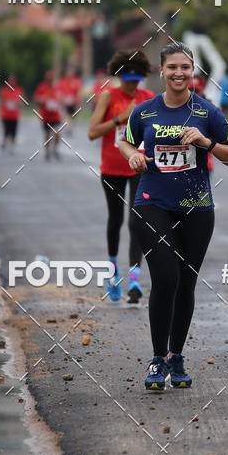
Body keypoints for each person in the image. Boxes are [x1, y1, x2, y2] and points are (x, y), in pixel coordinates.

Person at [118, 42, 228, 390]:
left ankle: (177, 356)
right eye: (172, 67)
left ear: (193, 72)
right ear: (161, 71)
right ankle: (157, 359)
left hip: (197, 207)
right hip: (151, 202)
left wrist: (206, 143)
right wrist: (131, 154)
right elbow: (125, 141)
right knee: (165, 278)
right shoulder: (143, 112)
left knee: (186, 283)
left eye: (185, 67)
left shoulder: (208, 113)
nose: (179, 73)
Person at [88, 50, 153, 303]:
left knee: (137, 221)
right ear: (119, 77)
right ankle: (113, 271)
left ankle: (135, 277)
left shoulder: (148, 98)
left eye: (136, 81)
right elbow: (92, 132)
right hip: (112, 168)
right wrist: (120, 119)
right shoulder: (108, 96)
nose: (132, 86)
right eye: (127, 81)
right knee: (115, 219)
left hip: (139, 166)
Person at [34, 70, 62, 160]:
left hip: (55, 115)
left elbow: (62, 98)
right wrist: (42, 99)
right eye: (49, 79)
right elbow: (36, 99)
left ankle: (55, 149)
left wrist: (60, 101)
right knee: (47, 135)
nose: (50, 81)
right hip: (45, 116)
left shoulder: (57, 88)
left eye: (51, 79)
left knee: (57, 133)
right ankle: (47, 151)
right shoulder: (41, 87)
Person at [0, 76, 24, 151]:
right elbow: (0, 101)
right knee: (6, 129)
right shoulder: (4, 90)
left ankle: (11, 146)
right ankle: (4, 141)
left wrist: (17, 103)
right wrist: (6, 102)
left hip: (14, 115)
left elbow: (21, 102)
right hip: (5, 115)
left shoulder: (18, 90)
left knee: (13, 131)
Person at [58, 66, 83, 134]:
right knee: (66, 115)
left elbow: (79, 91)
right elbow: (59, 91)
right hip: (65, 102)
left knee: (71, 116)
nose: (69, 73)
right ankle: (69, 128)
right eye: (68, 72)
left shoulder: (76, 81)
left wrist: (78, 100)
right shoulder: (63, 81)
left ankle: (69, 127)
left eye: (71, 72)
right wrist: (61, 99)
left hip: (73, 102)